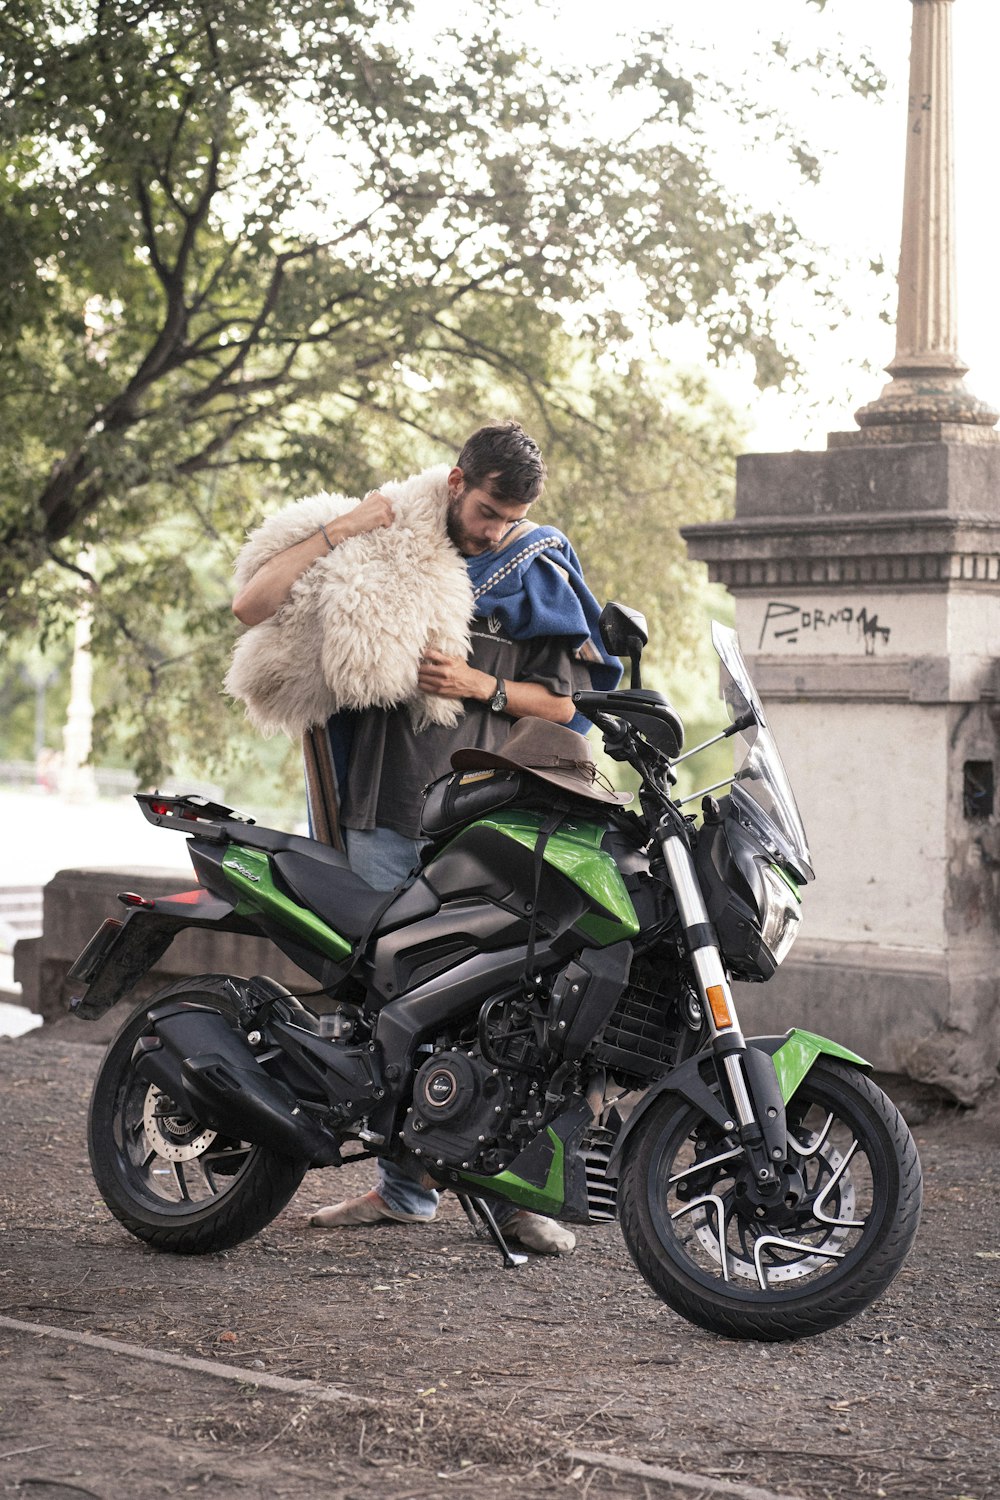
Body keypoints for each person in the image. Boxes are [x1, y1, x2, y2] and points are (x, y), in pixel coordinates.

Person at [232, 420, 620, 1254]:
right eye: (486, 510)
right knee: (389, 1002)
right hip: (379, 808)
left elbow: (570, 707)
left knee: (509, 1009)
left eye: (508, 517)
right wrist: (344, 530)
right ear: (455, 482)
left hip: (490, 820)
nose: (493, 530)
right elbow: (254, 605)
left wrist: (484, 683)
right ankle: (404, 1190)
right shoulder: (383, 544)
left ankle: (516, 1198)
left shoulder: (537, 566)